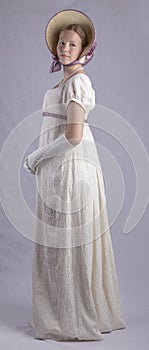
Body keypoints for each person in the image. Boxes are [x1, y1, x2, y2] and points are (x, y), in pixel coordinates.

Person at [24, 9, 126, 342]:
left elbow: (73, 135)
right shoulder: (64, 81)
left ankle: (72, 317)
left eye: (72, 44)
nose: (65, 48)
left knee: (66, 243)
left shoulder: (79, 82)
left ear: (84, 51)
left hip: (71, 169)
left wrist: (38, 156)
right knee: (59, 243)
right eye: (62, 43)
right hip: (58, 169)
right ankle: (58, 310)